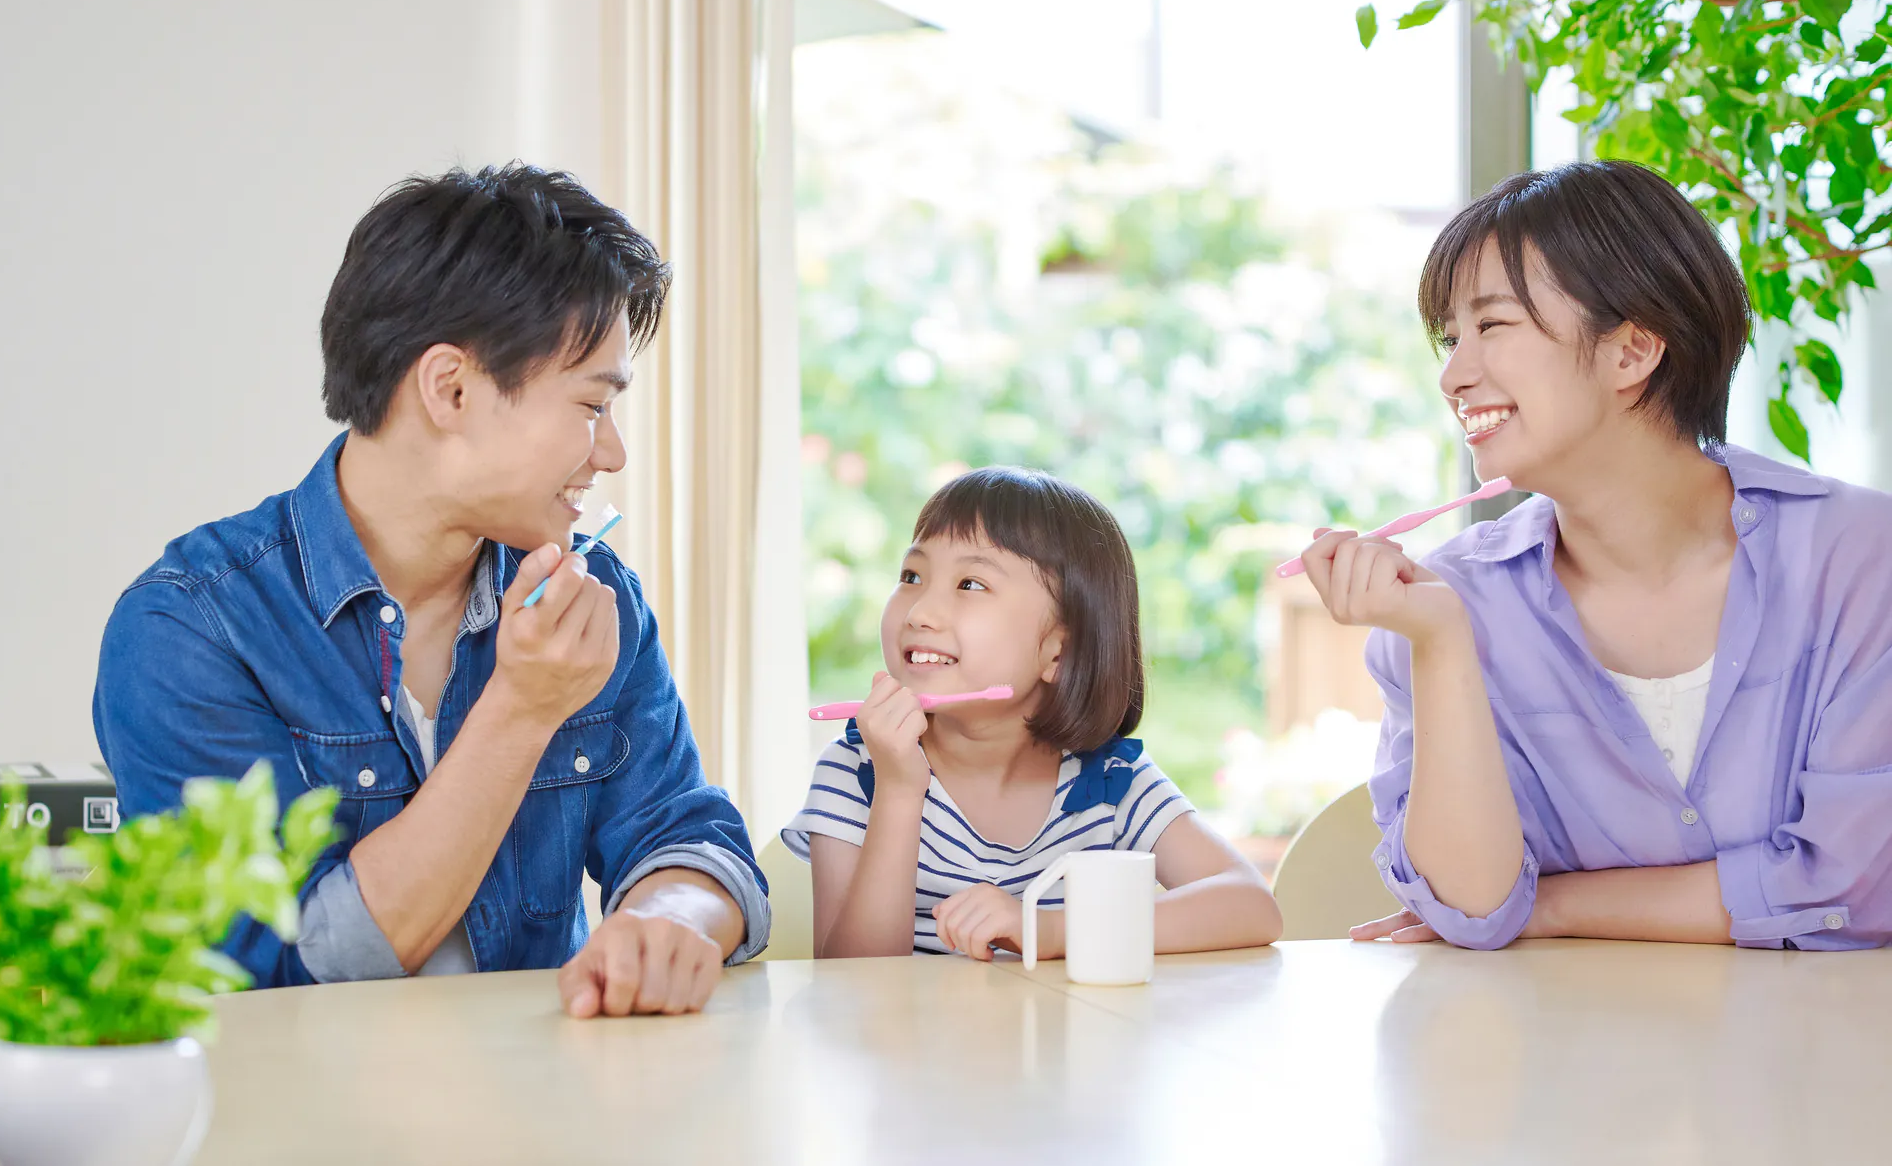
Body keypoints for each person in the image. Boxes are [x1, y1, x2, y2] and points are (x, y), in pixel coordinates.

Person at [95, 164, 768, 1014]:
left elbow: (687, 835)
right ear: (450, 388)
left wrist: (669, 918)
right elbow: (276, 974)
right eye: (593, 406)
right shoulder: (188, 628)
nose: (612, 454)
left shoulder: (592, 603)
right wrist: (521, 710)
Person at [1295, 159, 1892, 951]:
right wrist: (1439, 639)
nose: (1452, 374)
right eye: (1449, 338)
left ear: (1632, 350)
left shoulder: (1859, 559)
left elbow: (1849, 889)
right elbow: (1474, 907)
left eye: (1493, 326)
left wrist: (1552, 907)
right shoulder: (1445, 601)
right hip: (1555, 1063)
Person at [784, 466, 1281, 959]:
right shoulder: (858, 771)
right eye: (912, 576)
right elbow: (850, 979)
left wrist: (1052, 931)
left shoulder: (1108, 783)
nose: (918, 612)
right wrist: (897, 790)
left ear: (1058, 654)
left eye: (970, 584)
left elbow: (1251, 905)